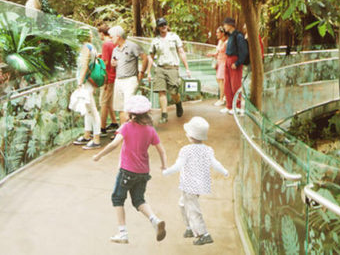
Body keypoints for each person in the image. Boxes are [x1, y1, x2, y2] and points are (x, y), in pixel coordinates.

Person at [92, 95, 168, 243]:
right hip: (143, 173)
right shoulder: (150, 130)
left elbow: (114, 144)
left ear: (130, 113)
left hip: (127, 171)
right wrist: (164, 165)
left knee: (117, 198)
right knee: (139, 200)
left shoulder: (126, 127)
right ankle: (155, 219)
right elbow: (162, 150)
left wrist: (99, 155)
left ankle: (122, 233)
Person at [161, 117, 229, 246]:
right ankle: (190, 228)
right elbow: (215, 163)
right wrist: (224, 171)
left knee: (193, 209)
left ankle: (204, 234)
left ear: (190, 136)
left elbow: (178, 166)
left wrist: (166, 172)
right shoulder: (208, 150)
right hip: (200, 184)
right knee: (182, 204)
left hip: (189, 185)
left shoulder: (186, 150)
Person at [147, 17, 192, 124]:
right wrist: (148, 71)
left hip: (173, 68)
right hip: (160, 68)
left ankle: (178, 103)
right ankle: (164, 114)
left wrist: (187, 68)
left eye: (165, 24)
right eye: (161, 25)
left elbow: (181, 52)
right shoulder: (155, 41)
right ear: (158, 28)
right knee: (161, 91)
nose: (163, 26)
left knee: (173, 92)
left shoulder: (174, 37)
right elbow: (151, 56)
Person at [109, 25, 148, 125]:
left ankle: (131, 131)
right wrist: (113, 64)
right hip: (118, 80)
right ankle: (123, 131)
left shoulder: (132, 46)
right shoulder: (115, 50)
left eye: (111, 36)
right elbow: (114, 63)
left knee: (128, 107)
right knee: (120, 108)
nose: (110, 39)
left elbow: (145, 58)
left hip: (130, 80)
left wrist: (141, 73)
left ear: (118, 36)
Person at [71, 29, 102, 149]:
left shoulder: (86, 48)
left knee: (92, 110)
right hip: (89, 82)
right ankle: (87, 134)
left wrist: (80, 82)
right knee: (89, 109)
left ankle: (96, 139)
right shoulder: (91, 47)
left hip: (86, 83)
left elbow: (84, 66)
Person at [222, 18, 249, 114]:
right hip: (228, 59)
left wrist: (238, 63)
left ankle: (236, 106)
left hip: (234, 60)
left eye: (225, 24)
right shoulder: (230, 36)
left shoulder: (238, 36)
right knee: (227, 84)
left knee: (235, 84)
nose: (224, 26)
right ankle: (229, 106)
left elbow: (244, 51)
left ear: (230, 25)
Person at [98, 24, 119, 133]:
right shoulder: (114, 43)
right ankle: (114, 122)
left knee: (103, 102)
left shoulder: (106, 44)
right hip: (115, 75)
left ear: (102, 33)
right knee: (109, 101)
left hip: (108, 77)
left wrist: (104, 78)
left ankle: (102, 127)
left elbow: (106, 62)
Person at [206, 27, 228, 107]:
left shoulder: (227, 42)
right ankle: (224, 96)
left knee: (221, 80)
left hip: (224, 62)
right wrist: (211, 54)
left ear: (222, 33)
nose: (216, 34)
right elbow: (217, 52)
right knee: (219, 80)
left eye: (218, 32)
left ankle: (221, 99)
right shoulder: (219, 42)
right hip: (219, 62)